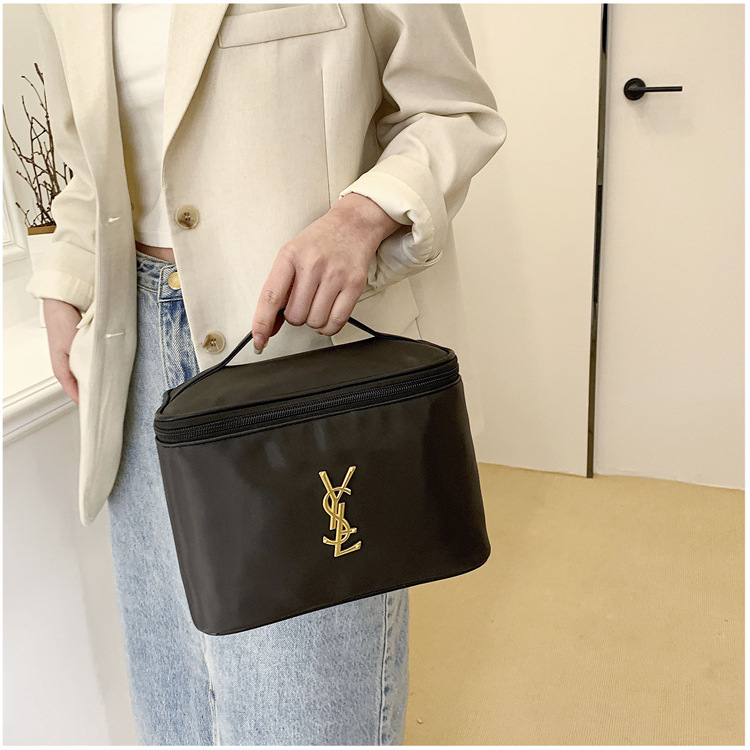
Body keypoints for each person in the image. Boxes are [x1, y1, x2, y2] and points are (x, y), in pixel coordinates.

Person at [26, 3, 507, 745]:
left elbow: (453, 111)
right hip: (136, 353)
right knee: (175, 697)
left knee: (305, 712)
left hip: (300, 351)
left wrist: (361, 215)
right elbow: (90, 161)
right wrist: (66, 281)